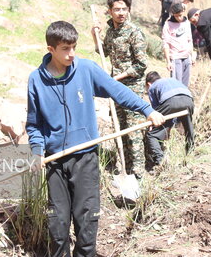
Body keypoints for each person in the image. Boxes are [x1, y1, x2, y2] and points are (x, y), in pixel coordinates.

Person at [27, 21, 164, 257]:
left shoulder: (86, 69)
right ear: (51, 49)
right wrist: (37, 150)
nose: (71, 54)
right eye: (65, 49)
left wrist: (147, 110)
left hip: (86, 158)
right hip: (55, 162)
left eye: (74, 47)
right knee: (57, 225)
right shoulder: (36, 80)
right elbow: (34, 123)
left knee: (87, 222)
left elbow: (116, 90)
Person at [91, 0, 149, 177]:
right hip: (115, 89)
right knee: (120, 129)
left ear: (128, 10)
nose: (121, 13)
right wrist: (95, 36)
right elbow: (104, 51)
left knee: (134, 131)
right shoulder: (111, 32)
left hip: (132, 87)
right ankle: (125, 169)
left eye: (124, 9)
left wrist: (116, 79)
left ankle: (139, 173)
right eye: (117, 9)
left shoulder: (134, 32)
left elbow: (141, 65)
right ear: (110, 11)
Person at [144, 71, 194, 167]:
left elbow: (156, 114)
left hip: (170, 102)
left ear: (148, 84)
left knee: (151, 135)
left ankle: (160, 161)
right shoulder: (171, 80)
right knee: (188, 129)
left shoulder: (152, 87)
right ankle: (190, 154)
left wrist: (153, 126)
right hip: (189, 100)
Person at [162, 2, 193, 86]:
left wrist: (191, 56)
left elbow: (190, 40)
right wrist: (168, 61)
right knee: (176, 84)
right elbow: (166, 44)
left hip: (186, 57)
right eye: (176, 16)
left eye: (180, 15)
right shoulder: (168, 24)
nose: (178, 18)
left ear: (183, 12)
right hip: (176, 58)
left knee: (185, 85)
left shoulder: (187, 23)